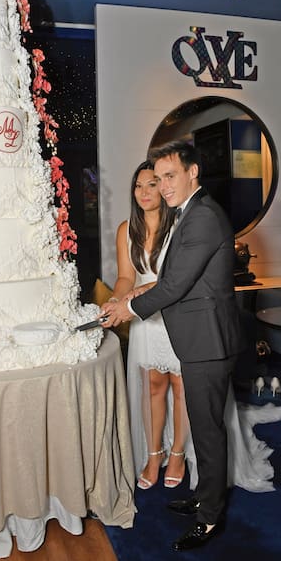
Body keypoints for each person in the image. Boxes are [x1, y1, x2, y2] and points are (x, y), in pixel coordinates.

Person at [101, 140, 246, 551]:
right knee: (203, 427)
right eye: (158, 177)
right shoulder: (189, 212)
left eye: (169, 176)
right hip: (197, 337)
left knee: (208, 431)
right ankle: (205, 498)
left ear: (192, 172)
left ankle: (210, 518)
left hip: (208, 341)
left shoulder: (201, 216)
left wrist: (127, 308)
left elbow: (174, 285)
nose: (163, 186)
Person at [103, 161, 190, 490]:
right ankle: (154, 455)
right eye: (138, 186)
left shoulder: (181, 225)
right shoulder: (127, 230)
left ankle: (178, 453)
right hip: (147, 321)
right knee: (153, 387)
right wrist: (115, 301)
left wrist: (133, 298)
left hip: (179, 315)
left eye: (152, 184)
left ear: (165, 187)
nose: (144, 192)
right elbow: (127, 277)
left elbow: (175, 279)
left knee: (182, 388)